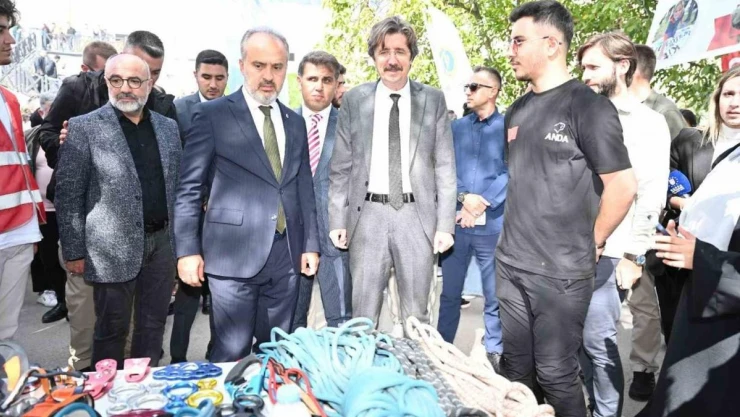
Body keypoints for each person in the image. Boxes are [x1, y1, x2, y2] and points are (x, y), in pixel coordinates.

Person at [497, 2, 637, 416]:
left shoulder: (588, 106)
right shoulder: (516, 110)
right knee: (515, 371)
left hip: (561, 272)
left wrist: (594, 241)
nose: (510, 50)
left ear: (552, 45)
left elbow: (623, 185)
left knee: (556, 372)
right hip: (511, 265)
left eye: (518, 41)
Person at [175, 27, 319, 362]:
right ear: (242, 65)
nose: (268, 76)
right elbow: (189, 188)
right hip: (231, 255)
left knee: (275, 350)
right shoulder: (212, 115)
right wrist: (187, 251)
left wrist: (310, 243)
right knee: (231, 351)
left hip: (285, 256)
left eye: (277, 67)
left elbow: (303, 187)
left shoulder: (294, 122)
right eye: (259, 65)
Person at [38, 33, 175, 372]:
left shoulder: (168, 128)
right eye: (116, 80)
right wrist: (74, 252)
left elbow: (176, 187)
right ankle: (107, 392)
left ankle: (145, 388)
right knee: (111, 329)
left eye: (134, 81)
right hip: (110, 248)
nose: (125, 88)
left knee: (152, 326)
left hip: (161, 245)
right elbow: (69, 192)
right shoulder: (84, 127)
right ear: (107, 82)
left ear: (149, 85)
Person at [328, 16, 456, 328]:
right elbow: (341, 167)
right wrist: (338, 219)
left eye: (400, 51)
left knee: (416, 318)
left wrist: (445, 225)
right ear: (373, 57)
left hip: (416, 218)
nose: (392, 60)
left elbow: (445, 166)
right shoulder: (355, 100)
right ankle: (362, 362)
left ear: (411, 56)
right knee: (362, 316)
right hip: (367, 218)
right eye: (384, 52)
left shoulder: (433, 100)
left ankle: (415, 360)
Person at [577, 31, 671, 417]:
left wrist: (634, 256)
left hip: (613, 250)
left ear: (622, 66)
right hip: (567, 247)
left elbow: (650, 194)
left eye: (593, 67)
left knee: (597, 342)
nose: (585, 75)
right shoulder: (577, 114)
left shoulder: (649, 123)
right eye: (582, 67)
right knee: (573, 342)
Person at [638, 67, 740, 417]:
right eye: (729, 93)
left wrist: (702, 258)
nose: (735, 102)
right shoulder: (716, 151)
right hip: (695, 291)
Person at [437, 66, 507, 372]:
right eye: (467, 86)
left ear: (493, 91)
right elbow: (444, 168)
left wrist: (482, 203)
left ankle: (495, 352)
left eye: (475, 86)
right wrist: (466, 199)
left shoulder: (508, 128)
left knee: (494, 295)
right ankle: (441, 350)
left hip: (492, 226)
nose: (468, 91)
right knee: (450, 294)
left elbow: (512, 170)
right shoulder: (456, 128)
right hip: (457, 225)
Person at [169, 49, 229, 363]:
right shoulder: (178, 110)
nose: (213, 84)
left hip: (223, 218)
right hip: (190, 215)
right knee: (187, 296)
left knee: (222, 296)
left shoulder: (235, 111)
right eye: (207, 77)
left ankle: (216, 356)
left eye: (219, 78)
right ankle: (177, 360)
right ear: (196, 76)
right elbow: (175, 164)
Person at [292, 51, 351, 330]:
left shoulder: (350, 126)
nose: (319, 86)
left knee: (341, 322)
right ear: (299, 81)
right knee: (290, 321)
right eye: (312, 79)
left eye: (327, 80)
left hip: (337, 237)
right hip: (292, 238)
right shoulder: (282, 123)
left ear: (337, 84)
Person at [0, 0, 46, 341]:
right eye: (1, 31)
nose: (11, 40)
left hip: (18, 231)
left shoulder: (10, 100)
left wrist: (31, 225)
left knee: (6, 334)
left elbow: (19, 166)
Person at [629, 45, 686, 140]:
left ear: (634, 71)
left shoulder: (665, 111)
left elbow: (681, 148)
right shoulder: (623, 106)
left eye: (624, 65)